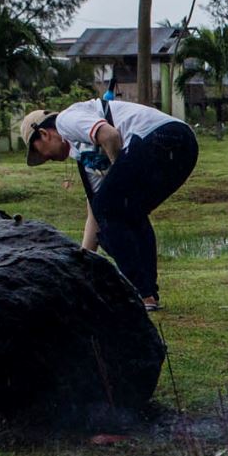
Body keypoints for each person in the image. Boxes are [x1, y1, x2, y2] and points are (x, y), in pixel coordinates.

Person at [21, 95, 200, 311]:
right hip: (186, 148)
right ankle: (148, 295)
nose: (46, 159)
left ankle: (139, 291)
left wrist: (118, 173)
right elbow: (96, 215)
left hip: (163, 136)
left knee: (113, 208)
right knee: (129, 213)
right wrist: (83, 264)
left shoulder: (66, 120)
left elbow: (111, 135)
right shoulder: (85, 158)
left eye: (39, 152)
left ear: (44, 134)